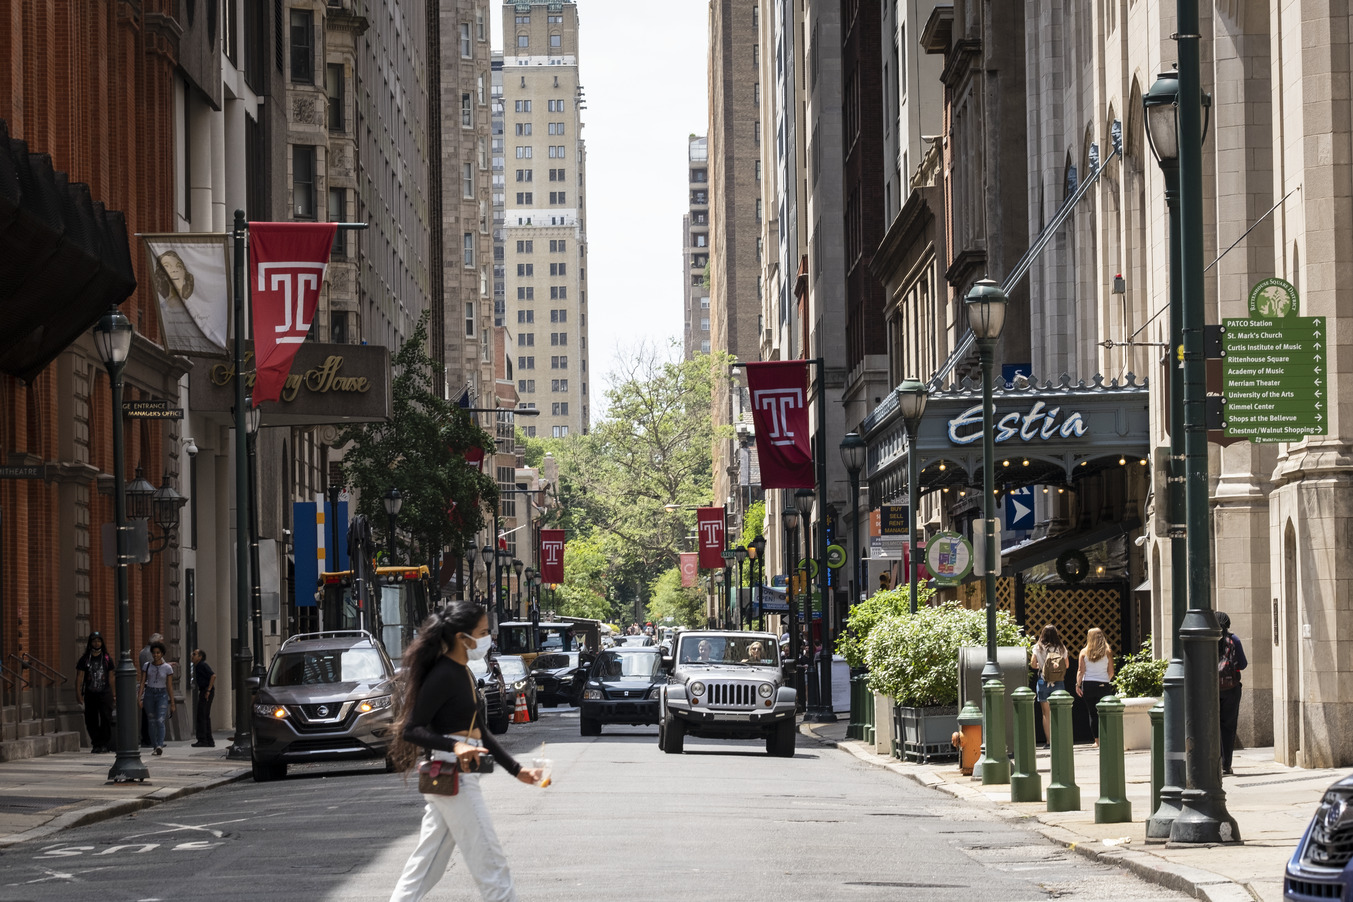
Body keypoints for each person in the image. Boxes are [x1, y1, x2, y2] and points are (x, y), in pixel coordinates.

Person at [389, 601, 543, 902]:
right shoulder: (446, 674)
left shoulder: (461, 672)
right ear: (463, 638)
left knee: (425, 868)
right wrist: (455, 745)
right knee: (492, 864)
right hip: (453, 774)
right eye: (484, 632)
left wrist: (516, 769)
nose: (489, 639)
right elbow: (411, 729)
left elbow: (481, 732)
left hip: (454, 773)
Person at [1217, 611, 1248, 775]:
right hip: (1231, 689)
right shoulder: (1234, 640)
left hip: (1211, 691)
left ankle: (1213, 763)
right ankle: (1225, 765)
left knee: (1212, 728)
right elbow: (1242, 664)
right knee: (1228, 728)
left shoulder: (1207, 640)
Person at [75, 632, 116, 753]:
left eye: (99, 641)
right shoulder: (85, 659)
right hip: (90, 693)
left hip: (105, 693)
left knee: (106, 718)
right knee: (90, 719)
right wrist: (78, 692)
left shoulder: (107, 658)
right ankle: (96, 743)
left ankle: (104, 743)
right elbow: (79, 677)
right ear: (90, 642)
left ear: (102, 643)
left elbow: (111, 677)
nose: (96, 643)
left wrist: (114, 694)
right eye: (94, 641)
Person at [1075, 628, 1116, 746]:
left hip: (1088, 684)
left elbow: (1080, 671)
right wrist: (1105, 681)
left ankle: (1097, 741)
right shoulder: (1107, 651)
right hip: (1103, 684)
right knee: (1105, 712)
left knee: (1092, 713)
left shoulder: (1083, 652)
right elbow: (1111, 671)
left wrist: (1078, 685)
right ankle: (1107, 738)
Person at [1030, 625, 1069, 748]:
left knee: (1046, 714)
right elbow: (1067, 665)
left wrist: (1042, 667)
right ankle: (1061, 740)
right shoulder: (1061, 648)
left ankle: (1049, 741)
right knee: (1059, 711)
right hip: (1058, 682)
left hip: (1043, 680)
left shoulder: (1038, 647)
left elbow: (1033, 664)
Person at [138, 641, 176, 756]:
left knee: (160, 720)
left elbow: (169, 686)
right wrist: (139, 697)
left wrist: (172, 702)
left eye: (158, 653)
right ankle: (155, 746)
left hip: (162, 694)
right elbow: (142, 682)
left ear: (162, 654)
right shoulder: (147, 665)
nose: (156, 655)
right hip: (149, 693)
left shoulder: (167, 668)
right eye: (154, 653)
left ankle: (160, 744)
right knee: (151, 721)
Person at [138, 632, 163, 747]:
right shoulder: (150, 654)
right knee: (152, 715)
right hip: (152, 687)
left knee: (148, 715)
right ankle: (150, 739)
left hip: (149, 686)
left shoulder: (143, 651)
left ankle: (150, 739)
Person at [190, 649, 216, 747]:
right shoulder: (197, 666)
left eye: (194, 654)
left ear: (200, 657)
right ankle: (209, 740)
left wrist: (208, 690)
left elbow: (213, 675)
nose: (192, 656)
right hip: (204, 691)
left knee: (202, 715)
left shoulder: (202, 665)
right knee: (204, 715)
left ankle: (203, 740)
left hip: (206, 691)